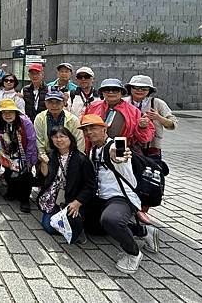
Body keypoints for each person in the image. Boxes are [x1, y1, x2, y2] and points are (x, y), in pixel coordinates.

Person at [80, 114, 159, 274]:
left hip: (121, 197)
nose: (89, 132)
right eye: (86, 129)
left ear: (104, 128)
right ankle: (143, 231)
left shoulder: (113, 146)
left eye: (93, 127)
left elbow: (120, 156)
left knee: (110, 220)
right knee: (87, 223)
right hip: (102, 197)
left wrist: (118, 156)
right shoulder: (94, 149)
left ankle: (133, 253)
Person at [37, 126, 95, 244]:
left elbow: (90, 186)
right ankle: (70, 224)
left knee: (64, 222)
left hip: (74, 198)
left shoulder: (81, 159)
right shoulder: (52, 155)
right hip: (55, 197)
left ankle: (79, 227)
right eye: (55, 137)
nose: (59, 140)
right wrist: (44, 163)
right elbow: (45, 176)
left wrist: (77, 202)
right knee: (48, 226)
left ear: (70, 138)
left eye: (62, 136)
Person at [84, 78, 155, 151]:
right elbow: (84, 129)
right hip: (95, 148)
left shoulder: (133, 111)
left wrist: (142, 127)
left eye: (115, 90)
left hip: (121, 149)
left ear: (122, 92)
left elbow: (145, 138)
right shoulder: (93, 107)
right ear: (102, 93)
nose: (111, 92)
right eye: (106, 90)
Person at [0, 100, 38, 212]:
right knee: (9, 174)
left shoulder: (25, 123)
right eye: (4, 112)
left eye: (10, 112)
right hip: (8, 154)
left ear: (16, 113)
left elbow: (32, 141)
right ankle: (11, 191)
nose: (7, 115)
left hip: (24, 154)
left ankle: (24, 200)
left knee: (25, 177)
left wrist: (29, 160)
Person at [123, 75, 177, 163]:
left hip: (151, 147)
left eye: (144, 88)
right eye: (136, 87)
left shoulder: (158, 103)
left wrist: (158, 117)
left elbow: (172, 125)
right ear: (130, 88)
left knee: (151, 173)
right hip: (128, 146)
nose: (139, 90)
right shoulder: (124, 102)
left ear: (149, 90)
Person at [34, 91, 85, 161]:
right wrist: (43, 156)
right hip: (48, 155)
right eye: (50, 102)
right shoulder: (39, 118)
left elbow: (79, 141)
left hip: (69, 155)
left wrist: (77, 159)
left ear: (64, 103)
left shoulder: (73, 119)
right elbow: (39, 140)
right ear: (45, 104)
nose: (54, 106)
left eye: (58, 102)